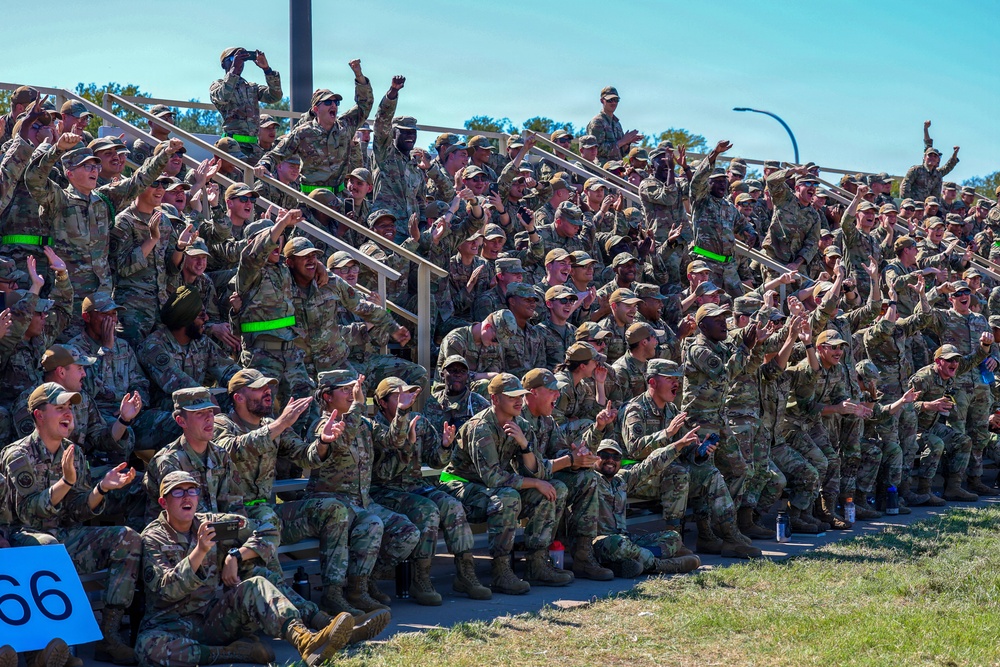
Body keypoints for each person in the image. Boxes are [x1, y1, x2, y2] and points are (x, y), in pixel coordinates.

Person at [212, 369, 390, 636]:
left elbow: (306, 456)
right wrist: (279, 425)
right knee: (269, 532)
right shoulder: (221, 424)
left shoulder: (271, 424)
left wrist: (323, 442)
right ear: (238, 397)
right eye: (259, 388)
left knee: (334, 509)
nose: (268, 392)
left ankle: (334, 594)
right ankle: (314, 623)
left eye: (269, 387)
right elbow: (230, 450)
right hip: (235, 519)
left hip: (268, 514)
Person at [136, 471, 355, 667]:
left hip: (212, 617)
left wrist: (236, 555)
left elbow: (268, 530)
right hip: (170, 624)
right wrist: (200, 551)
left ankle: (305, 640)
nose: (186, 497)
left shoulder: (210, 524)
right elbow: (166, 590)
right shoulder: (153, 538)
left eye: (191, 491)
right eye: (178, 493)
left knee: (256, 584)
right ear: (163, 502)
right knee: (147, 648)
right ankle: (234, 653)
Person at [2, 382, 141, 664]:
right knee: (49, 546)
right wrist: (65, 482)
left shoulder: (73, 452)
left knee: (128, 539)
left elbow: (78, 511)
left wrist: (102, 488)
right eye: (59, 408)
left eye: (69, 408)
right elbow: (29, 513)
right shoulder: (18, 455)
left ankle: (109, 637)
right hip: (24, 538)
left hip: (66, 535)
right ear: (39, 415)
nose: (68, 414)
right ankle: (48, 648)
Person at [440, 373, 575, 594]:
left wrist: (524, 445)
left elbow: (536, 470)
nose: (519, 401)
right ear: (495, 399)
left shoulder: (520, 424)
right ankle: (500, 571)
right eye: (512, 396)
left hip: (490, 488)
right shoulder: (480, 427)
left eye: (520, 396)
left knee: (555, 489)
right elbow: (493, 478)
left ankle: (537, 563)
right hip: (461, 486)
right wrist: (534, 482)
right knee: (508, 497)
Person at [370, 377, 492, 602]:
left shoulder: (419, 422)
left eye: (408, 394)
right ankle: (421, 578)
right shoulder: (374, 428)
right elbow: (383, 474)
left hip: (415, 487)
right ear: (382, 402)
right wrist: (407, 445)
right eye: (398, 396)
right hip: (385, 491)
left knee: (453, 506)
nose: (405, 399)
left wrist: (445, 445)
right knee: (427, 510)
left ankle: (466, 573)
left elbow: (437, 462)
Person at [308, 370, 421, 612]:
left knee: (407, 532)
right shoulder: (322, 425)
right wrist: (358, 406)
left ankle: (364, 582)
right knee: (372, 524)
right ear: (327, 396)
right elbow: (341, 443)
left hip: (361, 502)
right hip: (331, 504)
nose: (352, 394)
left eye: (353, 389)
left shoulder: (363, 423)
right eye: (345, 390)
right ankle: (345, 593)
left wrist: (402, 412)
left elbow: (393, 441)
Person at [591, 439, 702, 577]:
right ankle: (662, 565)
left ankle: (627, 563)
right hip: (598, 543)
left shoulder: (620, 480)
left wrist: (677, 446)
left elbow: (648, 466)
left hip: (625, 539)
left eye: (616, 457)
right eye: (604, 455)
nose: (610, 460)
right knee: (619, 544)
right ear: (594, 457)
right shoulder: (590, 480)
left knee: (673, 537)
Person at [259, 60, 373, 193]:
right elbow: (277, 154)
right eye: (328, 102)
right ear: (316, 109)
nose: (333, 105)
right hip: (311, 198)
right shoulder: (303, 132)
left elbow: (364, 105)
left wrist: (359, 76)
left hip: (338, 198)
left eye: (336, 102)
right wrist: (263, 165)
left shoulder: (345, 126)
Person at [371, 75, 426, 240]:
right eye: (405, 132)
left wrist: (422, 226)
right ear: (394, 133)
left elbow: (420, 201)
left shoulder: (415, 168)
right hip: (388, 233)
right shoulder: (385, 154)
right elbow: (381, 125)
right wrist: (392, 93)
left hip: (412, 235)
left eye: (413, 132)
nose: (410, 136)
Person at [210, 47, 282, 164]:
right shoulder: (218, 85)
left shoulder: (251, 87)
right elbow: (223, 97)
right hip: (232, 147)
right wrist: (233, 70)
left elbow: (274, 96)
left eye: (242, 59)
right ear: (223, 64)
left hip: (254, 148)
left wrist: (267, 69)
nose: (238, 62)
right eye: (233, 58)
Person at [899, 121, 960, 202]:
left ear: (938, 159)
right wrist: (908, 203)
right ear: (924, 157)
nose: (932, 158)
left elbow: (949, 166)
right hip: (913, 205)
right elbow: (905, 186)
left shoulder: (937, 174)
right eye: (930, 155)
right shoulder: (916, 170)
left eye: (935, 156)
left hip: (928, 206)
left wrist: (955, 153)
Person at [586, 86, 641, 162]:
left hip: (617, 166)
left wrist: (627, 143)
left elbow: (620, 153)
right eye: (610, 100)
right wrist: (623, 141)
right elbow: (596, 150)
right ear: (602, 101)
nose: (614, 102)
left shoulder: (617, 124)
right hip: (602, 167)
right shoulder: (597, 122)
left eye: (616, 100)